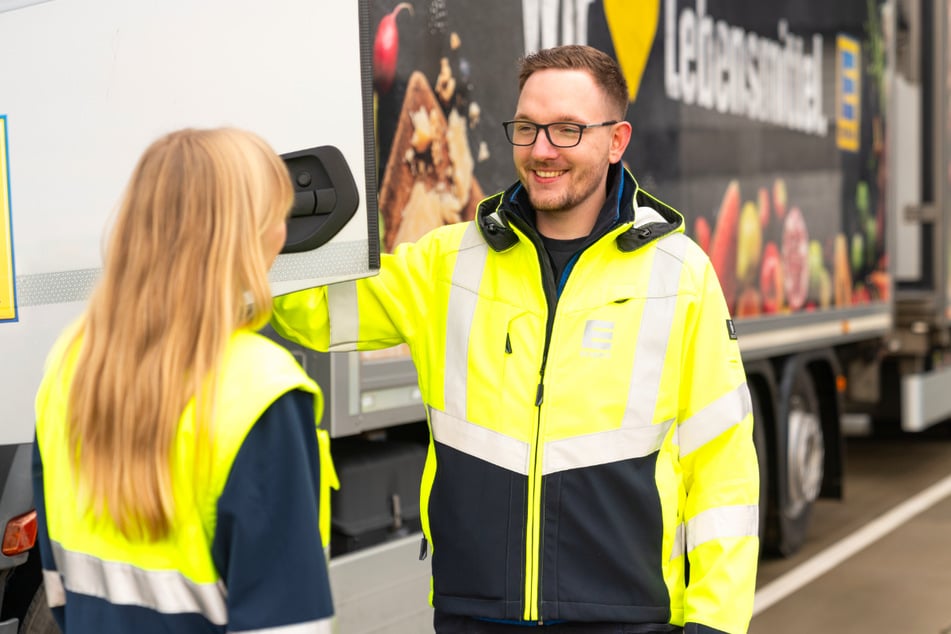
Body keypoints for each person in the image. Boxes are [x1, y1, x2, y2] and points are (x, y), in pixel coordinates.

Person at [272, 44, 759, 633]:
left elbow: (724, 471)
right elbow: (313, 310)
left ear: (617, 140)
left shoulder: (681, 277)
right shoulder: (446, 264)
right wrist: (270, 214)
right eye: (527, 128)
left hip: (627, 619)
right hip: (476, 614)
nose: (541, 150)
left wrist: (717, 626)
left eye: (567, 130)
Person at [32, 127, 335, 633]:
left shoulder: (69, 358)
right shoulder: (259, 387)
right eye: (276, 216)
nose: (283, 233)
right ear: (245, 235)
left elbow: (58, 586)